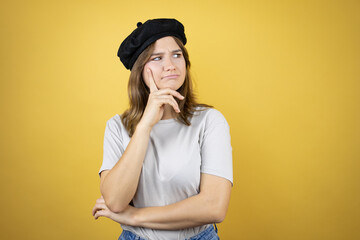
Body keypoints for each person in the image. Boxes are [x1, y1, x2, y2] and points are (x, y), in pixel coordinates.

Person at [92, 18, 233, 240]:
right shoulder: (117, 127)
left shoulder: (209, 121)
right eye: (157, 58)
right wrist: (144, 126)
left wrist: (135, 216)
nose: (170, 65)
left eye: (177, 55)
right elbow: (115, 201)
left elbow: (214, 207)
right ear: (140, 71)